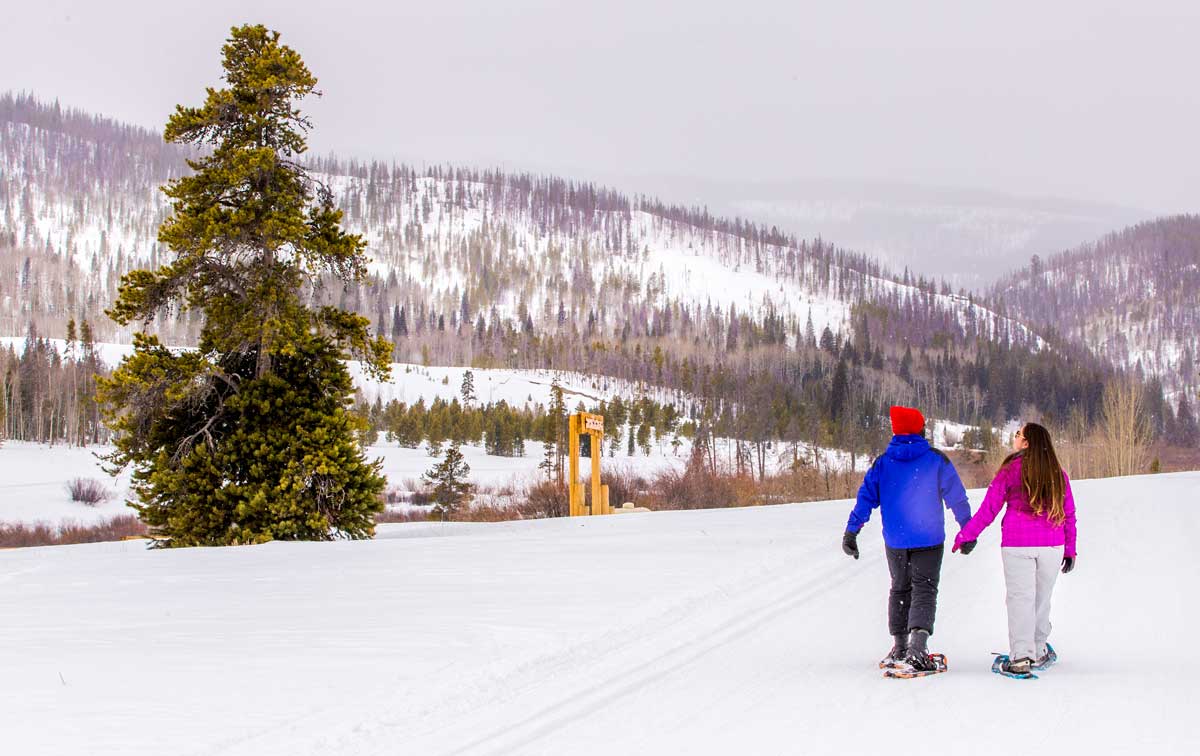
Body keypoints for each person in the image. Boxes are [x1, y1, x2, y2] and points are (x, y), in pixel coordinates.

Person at [843, 405, 973, 671]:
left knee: (900, 588)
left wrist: (852, 531)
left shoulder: (883, 463)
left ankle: (900, 646)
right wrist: (966, 528)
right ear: (920, 429)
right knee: (925, 589)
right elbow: (956, 497)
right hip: (929, 538)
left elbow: (866, 498)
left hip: (897, 540)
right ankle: (918, 647)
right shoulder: (936, 460)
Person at [952, 422, 1077, 675]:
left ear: (1027, 442)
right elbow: (1069, 514)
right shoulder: (1058, 473)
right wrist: (1069, 549)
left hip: (1017, 543)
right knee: (1041, 600)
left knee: (1021, 600)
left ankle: (1021, 656)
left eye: (1018, 434)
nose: (1015, 437)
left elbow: (990, 507)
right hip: (1052, 544)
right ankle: (1039, 650)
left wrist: (967, 535)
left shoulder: (1010, 470)